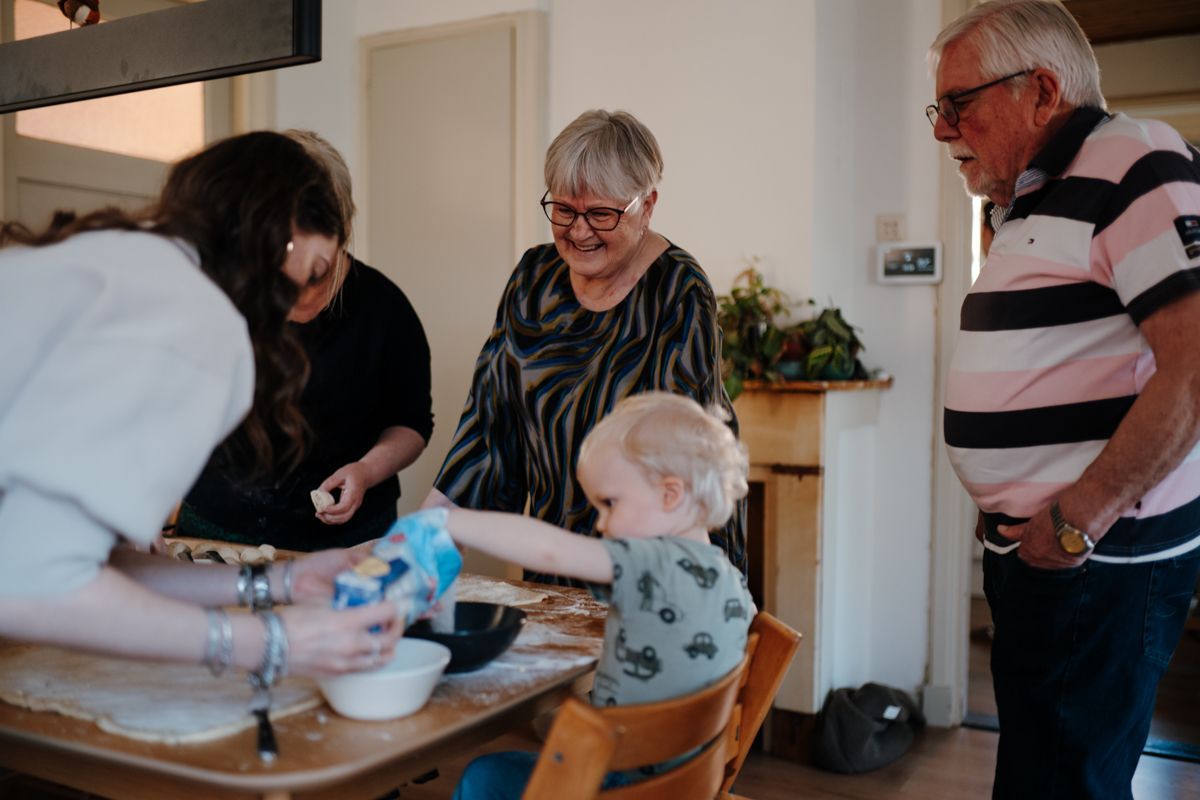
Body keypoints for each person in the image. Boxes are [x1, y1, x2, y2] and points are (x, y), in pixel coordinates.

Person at [0, 131, 402, 681]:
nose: (295, 307)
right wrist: (272, 640)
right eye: (312, 273)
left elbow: (63, 560)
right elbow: (33, 585)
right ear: (282, 237)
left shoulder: (121, 257)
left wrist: (278, 583)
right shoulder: (192, 318)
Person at [930, 2, 1200, 797]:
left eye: (959, 105)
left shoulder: (1135, 158)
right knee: (1038, 774)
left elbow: (1193, 365)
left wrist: (1076, 519)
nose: (943, 130)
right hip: (1048, 557)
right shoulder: (1033, 196)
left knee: (1063, 785)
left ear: (1041, 91)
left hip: (1097, 560)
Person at [428, 109, 745, 586]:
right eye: (564, 210)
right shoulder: (534, 280)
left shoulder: (677, 290)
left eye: (600, 213)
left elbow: (676, 455)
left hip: (659, 559)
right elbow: (489, 423)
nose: (578, 231)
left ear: (648, 205)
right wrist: (426, 528)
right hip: (557, 553)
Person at [431, 391, 752, 798]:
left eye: (610, 503)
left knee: (485, 775)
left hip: (620, 782)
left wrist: (451, 520)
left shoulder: (654, 564)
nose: (601, 524)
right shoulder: (728, 578)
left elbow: (551, 550)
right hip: (684, 783)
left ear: (670, 495)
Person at [178, 130, 433, 551]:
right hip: (214, 528)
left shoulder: (384, 309)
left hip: (345, 542)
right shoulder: (221, 297)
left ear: (340, 225)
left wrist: (366, 471)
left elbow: (411, 422)